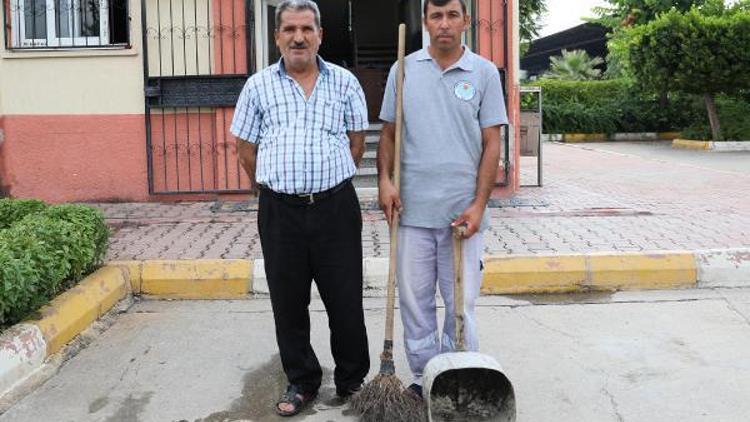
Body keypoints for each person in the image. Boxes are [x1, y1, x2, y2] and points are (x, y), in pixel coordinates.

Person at [230, 0, 370, 416]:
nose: (298, 37)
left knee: (345, 299)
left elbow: (356, 144)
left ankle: (351, 380)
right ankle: (302, 381)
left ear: (320, 35)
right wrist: (275, 187)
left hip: (335, 208)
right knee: (288, 303)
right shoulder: (258, 86)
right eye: (289, 29)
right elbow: (245, 148)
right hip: (280, 212)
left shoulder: (344, 83)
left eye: (307, 28)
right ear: (277, 36)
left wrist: (324, 177)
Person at [377, 0, 508, 399]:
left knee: (460, 305)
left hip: (462, 213)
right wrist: (384, 180)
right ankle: (423, 379)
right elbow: (388, 134)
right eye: (437, 16)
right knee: (415, 305)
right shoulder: (404, 69)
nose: (445, 24)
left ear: (466, 21)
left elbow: (492, 144)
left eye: (452, 15)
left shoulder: (483, 72)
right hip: (412, 211)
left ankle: (458, 375)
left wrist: (479, 204)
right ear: (425, 22)